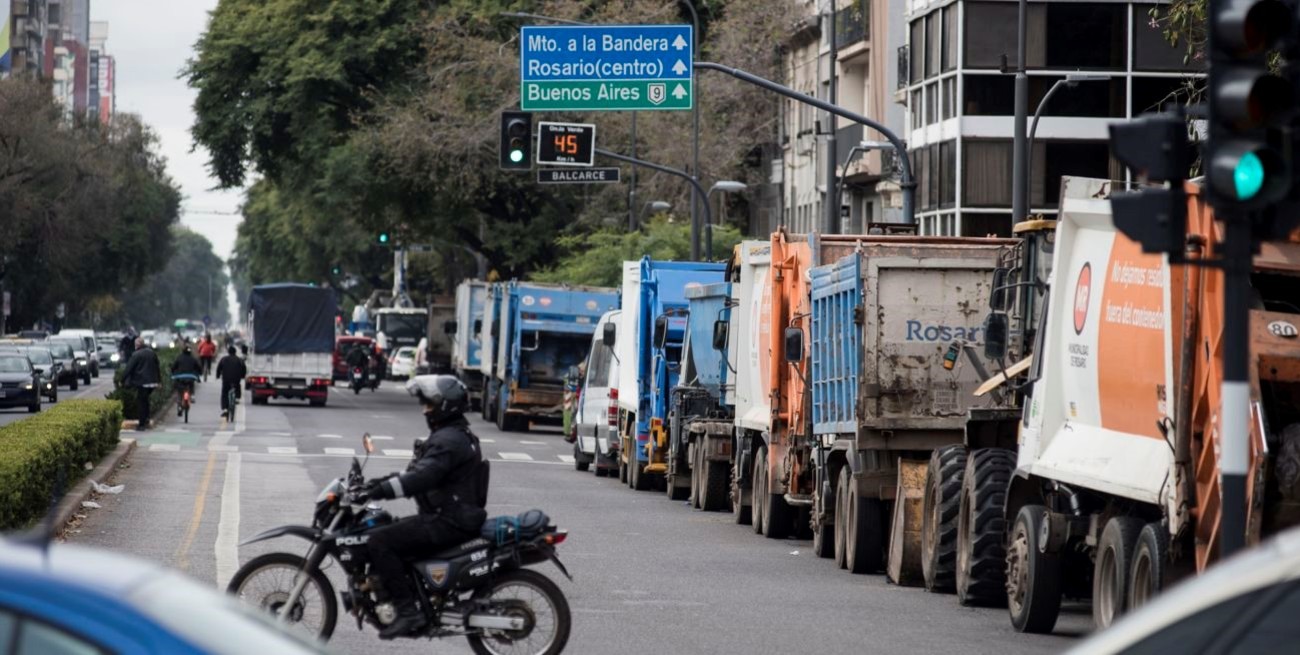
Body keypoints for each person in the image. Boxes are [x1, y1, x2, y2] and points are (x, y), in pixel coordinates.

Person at [361, 375, 488, 639]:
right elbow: (418, 471)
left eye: (429, 404)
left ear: (445, 406)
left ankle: (408, 612)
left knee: (379, 541)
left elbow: (423, 478)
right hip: (450, 516)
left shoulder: (449, 441)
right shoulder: (452, 435)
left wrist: (380, 491)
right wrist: (376, 483)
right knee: (388, 527)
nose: (425, 410)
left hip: (449, 521)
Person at [121, 337, 161, 430]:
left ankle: (142, 424)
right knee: (145, 400)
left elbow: (129, 368)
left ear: (137, 345)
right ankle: (146, 419)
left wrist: (122, 379)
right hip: (152, 382)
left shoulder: (136, 354)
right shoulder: (152, 353)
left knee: (141, 402)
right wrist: (159, 381)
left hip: (142, 382)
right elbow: (157, 367)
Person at [215, 345, 247, 419]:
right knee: (237, 386)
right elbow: (244, 369)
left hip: (226, 380)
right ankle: (237, 398)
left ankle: (225, 409)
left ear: (228, 352)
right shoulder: (239, 360)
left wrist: (217, 376)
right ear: (235, 352)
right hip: (236, 380)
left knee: (224, 393)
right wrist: (242, 376)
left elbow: (218, 368)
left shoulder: (224, 359)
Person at [170, 346, 203, 414]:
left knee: (179, 392)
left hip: (180, 377)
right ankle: (192, 396)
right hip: (190, 377)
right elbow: (198, 367)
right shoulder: (193, 359)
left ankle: (179, 406)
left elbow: (173, 367)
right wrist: (200, 373)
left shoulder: (179, 358)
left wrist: (173, 371)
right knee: (191, 385)